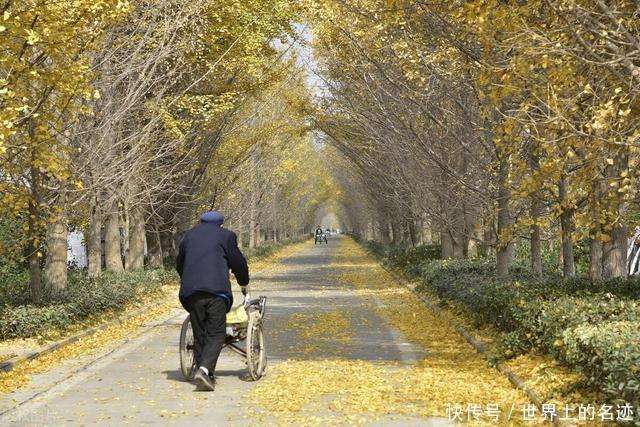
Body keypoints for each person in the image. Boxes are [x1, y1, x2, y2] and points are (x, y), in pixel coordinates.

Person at [176, 211, 249, 391]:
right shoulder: (226, 236)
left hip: (191, 292)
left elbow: (179, 264)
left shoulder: (189, 236)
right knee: (216, 333)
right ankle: (204, 369)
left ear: (200, 222)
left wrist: (189, 280)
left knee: (200, 331)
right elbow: (238, 262)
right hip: (217, 292)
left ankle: (205, 373)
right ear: (220, 224)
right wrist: (243, 282)